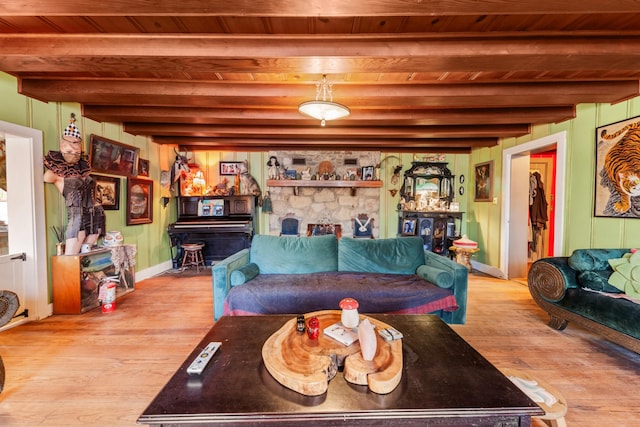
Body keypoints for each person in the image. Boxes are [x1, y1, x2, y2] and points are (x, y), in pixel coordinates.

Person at [43, 114, 105, 255]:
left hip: (95, 213)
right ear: (61, 148)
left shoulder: (83, 170)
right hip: (77, 217)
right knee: (71, 258)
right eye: (69, 151)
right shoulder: (57, 173)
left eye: (77, 152)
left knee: (86, 256)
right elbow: (46, 177)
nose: (74, 155)